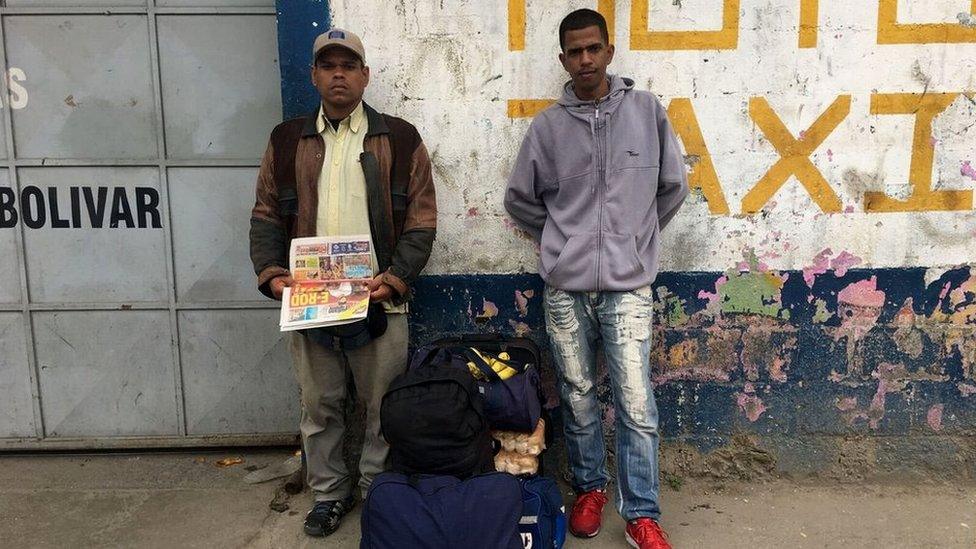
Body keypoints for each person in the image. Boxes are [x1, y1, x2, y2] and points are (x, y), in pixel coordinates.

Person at [504, 8, 688, 549]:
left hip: (629, 285)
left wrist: (633, 236)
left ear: (609, 51)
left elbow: (671, 188)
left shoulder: (647, 112)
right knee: (579, 394)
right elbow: (520, 199)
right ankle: (589, 489)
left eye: (593, 48)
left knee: (635, 399)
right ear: (563, 59)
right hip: (566, 288)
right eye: (574, 51)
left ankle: (642, 513)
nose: (585, 59)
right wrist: (565, 242)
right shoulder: (547, 128)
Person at [249, 28, 436, 538]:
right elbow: (265, 216)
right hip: (309, 301)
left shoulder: (399, 137)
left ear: (365, 76)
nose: (338, 74)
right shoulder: (286, 140)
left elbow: (421, 221)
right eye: (328, 65)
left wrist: (395, 279)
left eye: (348, 65)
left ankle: (380, 493)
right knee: (320, 404)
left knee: (383, 407)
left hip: (380, 299)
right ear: (313, 75)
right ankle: (330, 495)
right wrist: (270, 277)